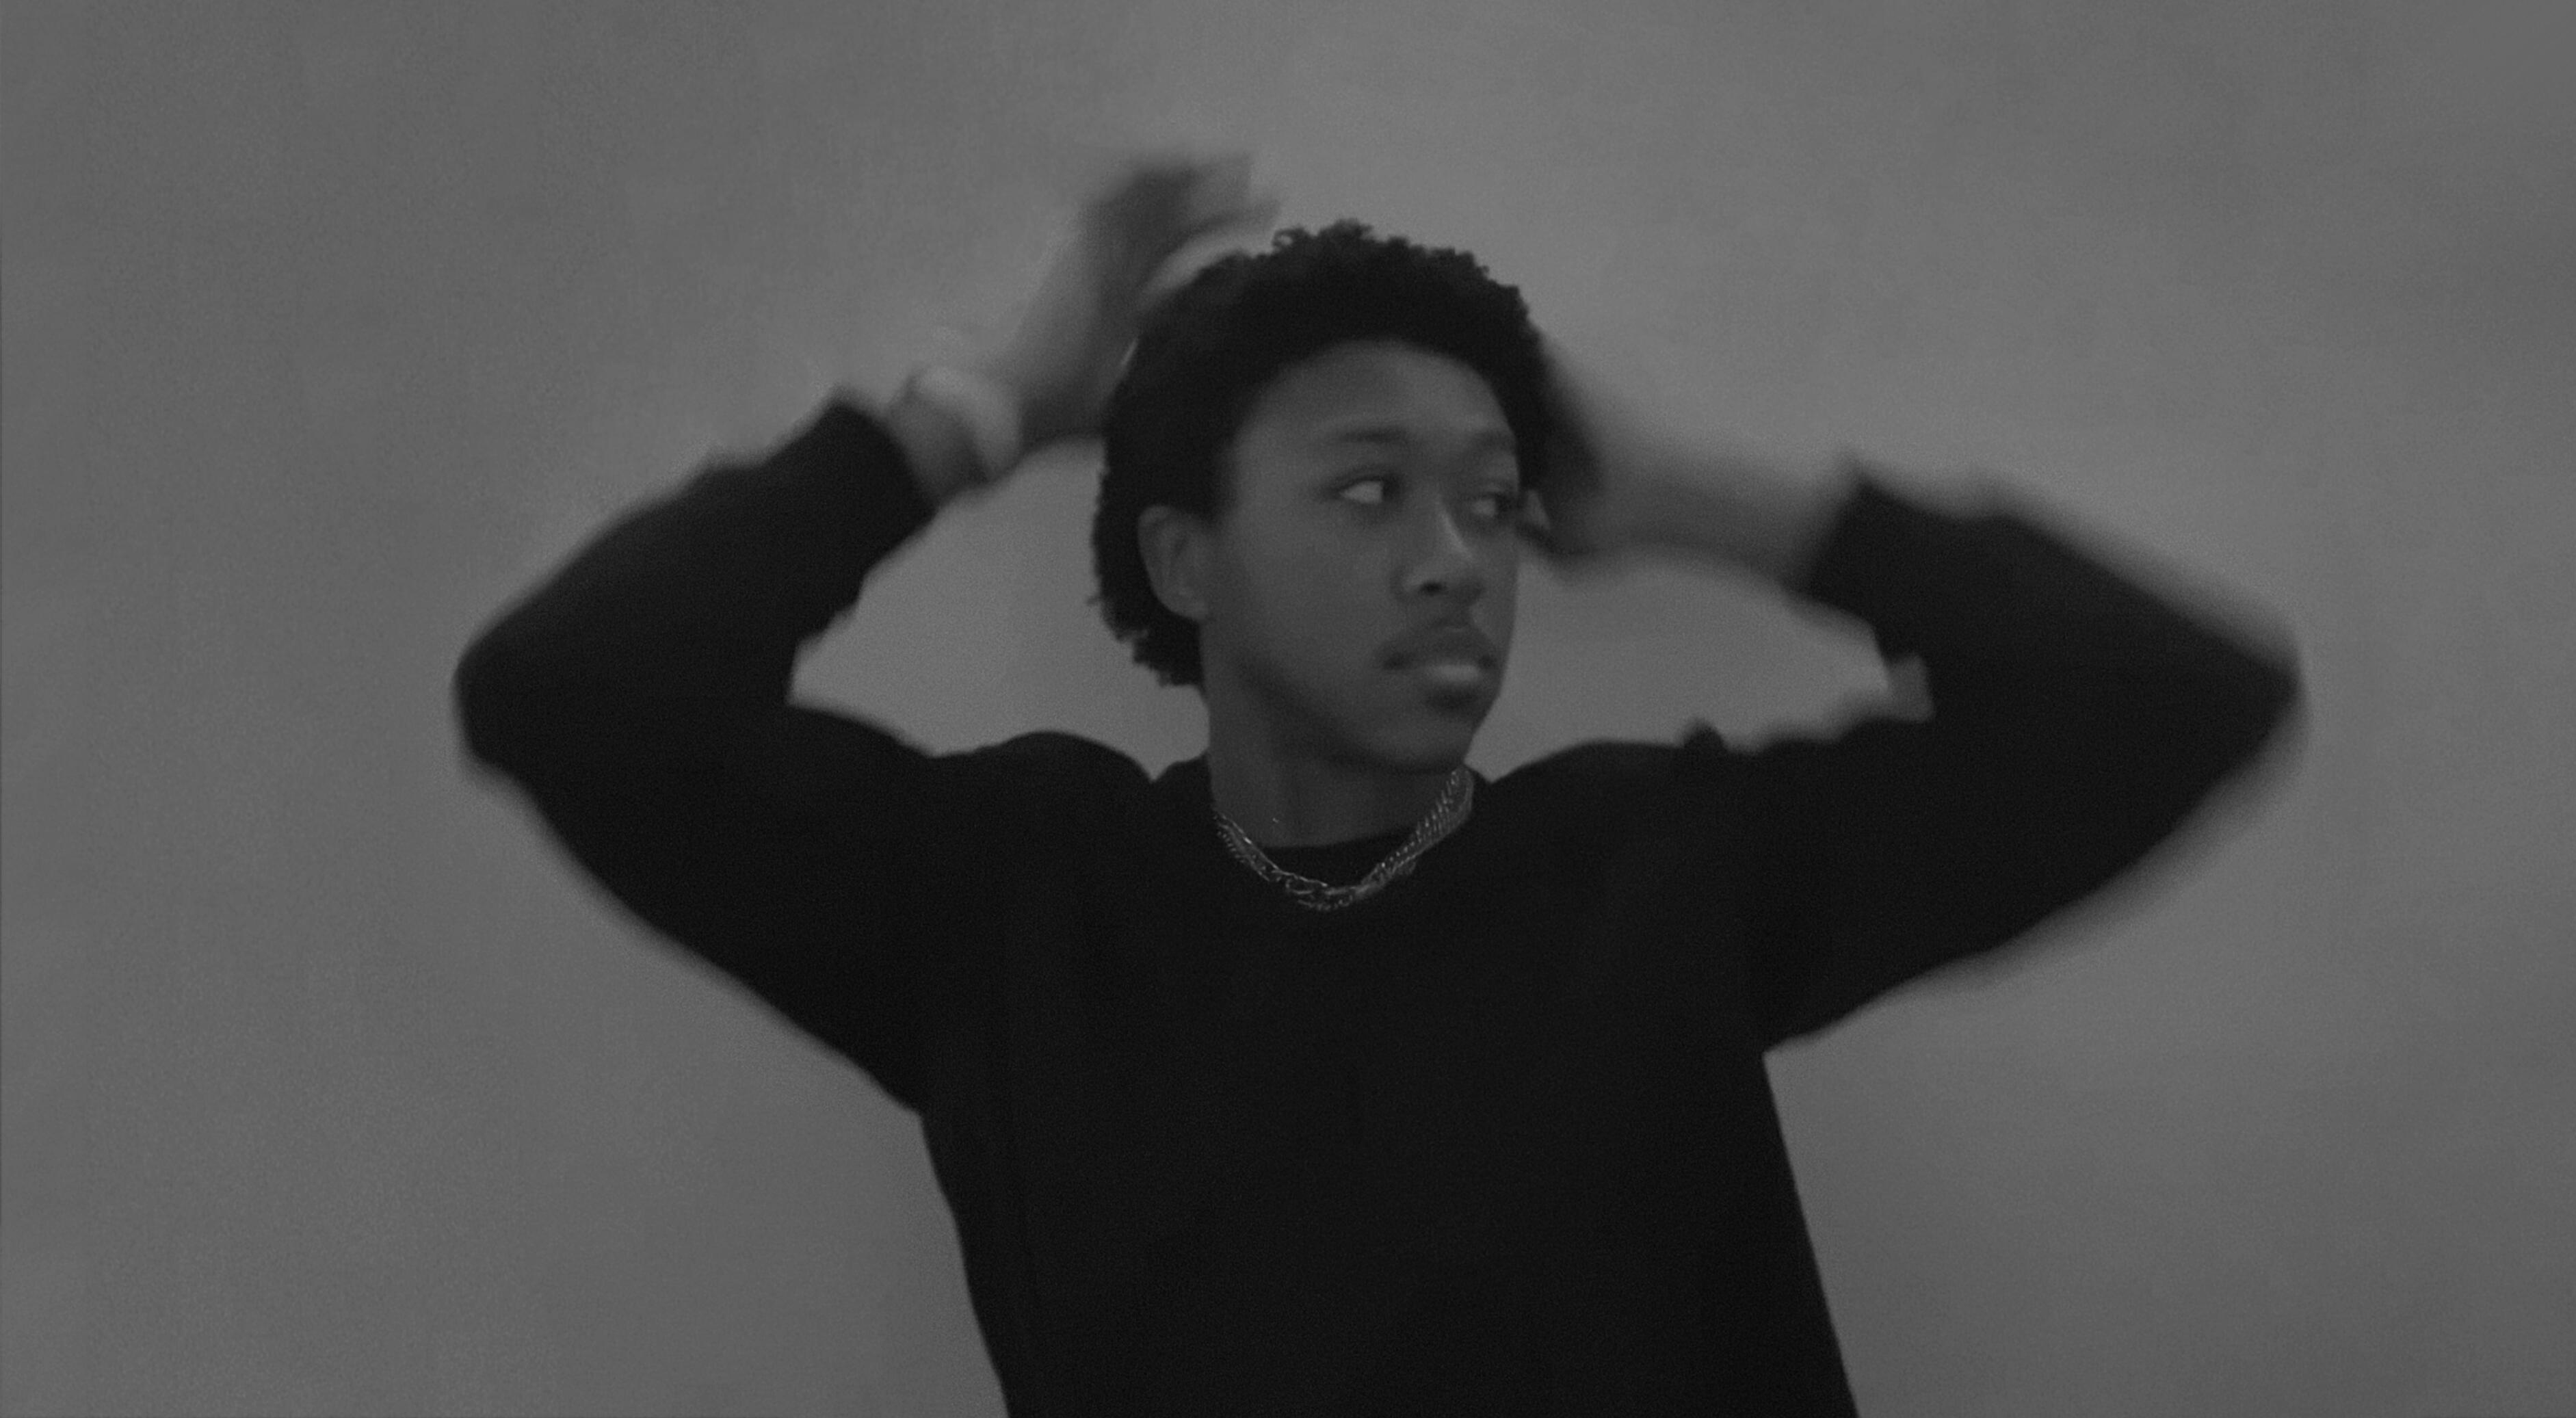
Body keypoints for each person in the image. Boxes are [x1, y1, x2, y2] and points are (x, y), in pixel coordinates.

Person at [453, 151, 2302, 1415]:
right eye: (1367, 490)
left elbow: (2168, 703)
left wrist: (1690, 499)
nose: (1454, 561)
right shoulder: (1008, 905)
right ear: (1186, 559)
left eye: (1492, 500)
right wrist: (987, 408)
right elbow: (574, 692)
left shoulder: (1655, 869)